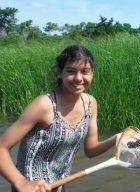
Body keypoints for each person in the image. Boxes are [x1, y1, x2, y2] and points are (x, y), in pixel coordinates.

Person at [0, 44, 119, 192]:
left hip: (60, 183)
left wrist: (116, 139)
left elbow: (91, 150)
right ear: (60, 73)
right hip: (31, 188)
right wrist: (20, 182)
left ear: (92, 73)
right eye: (71, 71)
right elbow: (1, 147)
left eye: (85, 72)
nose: (78, 78)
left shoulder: (91, 103)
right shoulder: (44, 104)